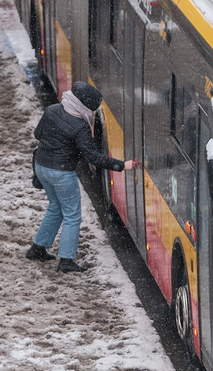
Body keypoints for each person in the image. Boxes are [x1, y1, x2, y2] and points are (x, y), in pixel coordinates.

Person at [27, 81, 138, 273]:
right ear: (84, 107)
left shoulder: (52, 110)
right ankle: (66, 260)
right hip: (61, 173)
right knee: (72, 216)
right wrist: (122, 165)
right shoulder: (80, 126)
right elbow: (93, 157)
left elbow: (38, 134)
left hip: (42, 167)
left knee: (55, 207)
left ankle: (38, 248)